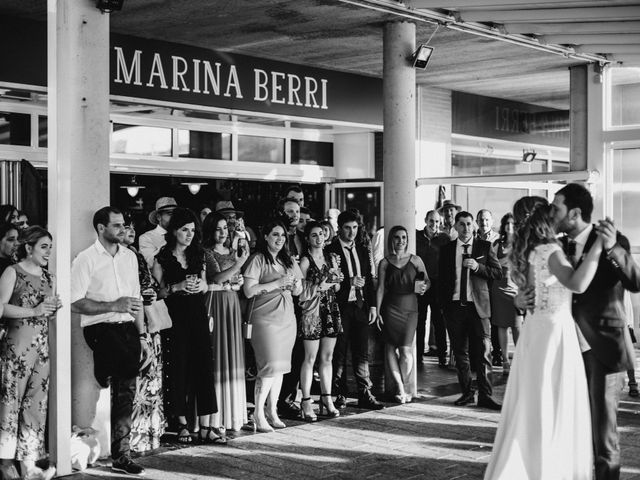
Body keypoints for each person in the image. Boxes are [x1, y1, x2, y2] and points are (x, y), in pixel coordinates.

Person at [516, 183, 640, 480]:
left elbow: (636, 281)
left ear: (574, 213)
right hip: (564, 348)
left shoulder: (609, 239)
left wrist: (611, 249)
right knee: (569, 427)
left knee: (603, 435)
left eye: (556, 207)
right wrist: (518, 299)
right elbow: (539, 286)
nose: (551, 212)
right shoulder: (554, 245)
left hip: (602, 349)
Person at [484, 203, 605, 479]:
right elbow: (576, 283)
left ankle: (533, 460)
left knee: (534, 396)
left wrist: (519, 299)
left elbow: (528, 293)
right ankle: (547, 463)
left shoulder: (533, 252)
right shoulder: (550, 251)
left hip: (535, 329)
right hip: (553, 330)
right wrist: (597, 247)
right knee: (551, 395)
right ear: (548, 224)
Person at [71, 207, 149, 475]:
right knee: (125, 378)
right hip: (100, 328)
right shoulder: (85, 259)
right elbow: (75, 302)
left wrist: (143, 335)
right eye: (116, 225)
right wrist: (113, 304)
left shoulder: (129, 257)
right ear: (101, 228)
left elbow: (136, 302)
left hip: (128, 328)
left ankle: (121, 453)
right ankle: (122, 453)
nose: (123, 229)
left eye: (123, 224)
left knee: (128, 384)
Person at [152, 208, 221, 444]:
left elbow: (203, 284)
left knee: (204, 365)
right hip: (175, 318)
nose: (189, 235)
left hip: (198, 314)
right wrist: (177, 286)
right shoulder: (162, 258)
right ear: (174, 231)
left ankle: (205, 425)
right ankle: (180, 423)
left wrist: (198, 286)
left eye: (192, 230)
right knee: (178, 367)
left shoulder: (197, 255)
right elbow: (156, 293)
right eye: (184, 230)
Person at [0, 227, 60, 480]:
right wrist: (35, 311)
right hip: (16, 348)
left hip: (41, 349)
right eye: (44, 246)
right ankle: (5, 463)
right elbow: (1, 307)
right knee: (9, 403)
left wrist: (52, 309)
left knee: (36, 405)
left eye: (50, 247)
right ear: (29, 247)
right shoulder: (12, 272)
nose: (48, 252)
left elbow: (47, 310)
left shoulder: (50, 278)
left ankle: (29, 462)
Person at [242, 219, 303, 432]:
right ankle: (257, 412)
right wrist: (277, 283)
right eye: (275, 234)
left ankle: (272, 410)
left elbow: (299, 291)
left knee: (280, 369)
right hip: (264, 319)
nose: (279, 239)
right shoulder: (258, 259)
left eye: (283, 235)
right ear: (266, 236)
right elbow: (249, 291)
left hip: (286, 317)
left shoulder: (288, 260)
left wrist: (295, 284)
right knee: (268, 366)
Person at [438, 211, 502, 410]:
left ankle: (486, 395)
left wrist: (477, 267)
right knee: (460, 353)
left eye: (469, 224)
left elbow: (497, 273)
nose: (466, 228)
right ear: (455, 226)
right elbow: (442, 279)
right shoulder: (447, 249)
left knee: (483, 352)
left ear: (473, 225)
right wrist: (444, 307)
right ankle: (467, 393)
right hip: (455, 307)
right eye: (462, 224)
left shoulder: (484, 246)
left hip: (478, 307)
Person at [327, 210, 384, 410]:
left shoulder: (362, 248)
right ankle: (340, 393)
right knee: (339, 353)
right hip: (341, 306)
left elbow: (368, 280)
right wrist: (348, 283)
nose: (351, 232)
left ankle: (364, 393)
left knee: (362, 352)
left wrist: (373, 306)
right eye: (347, 228)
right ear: (339, 229)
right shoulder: (331, 249)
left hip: (360, 306)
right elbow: (329, 281)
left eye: (355, 228)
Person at [202, 212, 249, 433]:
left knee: (232, 351)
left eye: (225, 229)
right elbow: (217, 278)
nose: (222, 233)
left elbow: (232, 277)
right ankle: (214, 416)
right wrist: (239, 264)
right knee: (217, 351)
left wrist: (237, 277)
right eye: (218, 229)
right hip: (216, 301)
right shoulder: (207, 253)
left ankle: (233, 413)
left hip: (231, 302)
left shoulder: (231, 251)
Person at [122, 217, 166, 452]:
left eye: (131, 226)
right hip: (134, 322)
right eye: (123, 227)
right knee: (138, 380)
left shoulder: (135, 255)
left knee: (151, 380)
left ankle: (148, 433)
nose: (129, 230)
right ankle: (134, 436)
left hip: (149, 320)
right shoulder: (122, 257)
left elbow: (151, 287)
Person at [375, 226, 429, 403]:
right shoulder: (384, 262)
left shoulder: (416, 260)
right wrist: (377, 310)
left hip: (410, 307)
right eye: (397, 238)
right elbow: (381, 288)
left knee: (406, 351)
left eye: (404, 237)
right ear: (391, 240)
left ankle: (405, 386)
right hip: (390, 308)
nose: (401, 241)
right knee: (390, 348)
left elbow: (427, 281)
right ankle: (400, 389)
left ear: (407, 239)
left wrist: (423, 288)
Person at [297, 221, 343, 421]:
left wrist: (336, 280)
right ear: (308, 238)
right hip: (312, 312)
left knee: (327, 358)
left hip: (330, 309)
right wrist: (320, 286)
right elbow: (299, 292)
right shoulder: (305, 261)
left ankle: (327, 398)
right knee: (309, 358)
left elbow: (338, 288)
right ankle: (306, 401)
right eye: (314, 235)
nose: (319, 238)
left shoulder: (331, 258)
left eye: (321, 234)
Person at [415, 210, 450, 366]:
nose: (434, 224)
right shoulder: (416, 236)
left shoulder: (444, 239)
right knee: (420, 320)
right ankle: (418, 355)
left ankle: (442, 355)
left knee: (439, 321)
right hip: (421, 283)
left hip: (438, 284)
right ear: (425, 220)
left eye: (436, 222)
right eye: (431, 221)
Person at [489, 213, 522, 375]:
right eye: (507, 223)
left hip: (515, 289)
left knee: (517, 326)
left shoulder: (520, 244)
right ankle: (505, 360)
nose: (510, 226)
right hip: (499, 288)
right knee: (501, 326)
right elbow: (492, 264)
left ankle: (520, 359)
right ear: (503, 226)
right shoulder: (497, 243)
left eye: (513, 224)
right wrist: (504, 262)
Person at [139, 197, 177, 267]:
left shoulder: (182, 235)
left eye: (176, 214)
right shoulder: (146, 238)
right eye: (170, 214)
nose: (174, 217)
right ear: (159, 217)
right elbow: (150, 263)